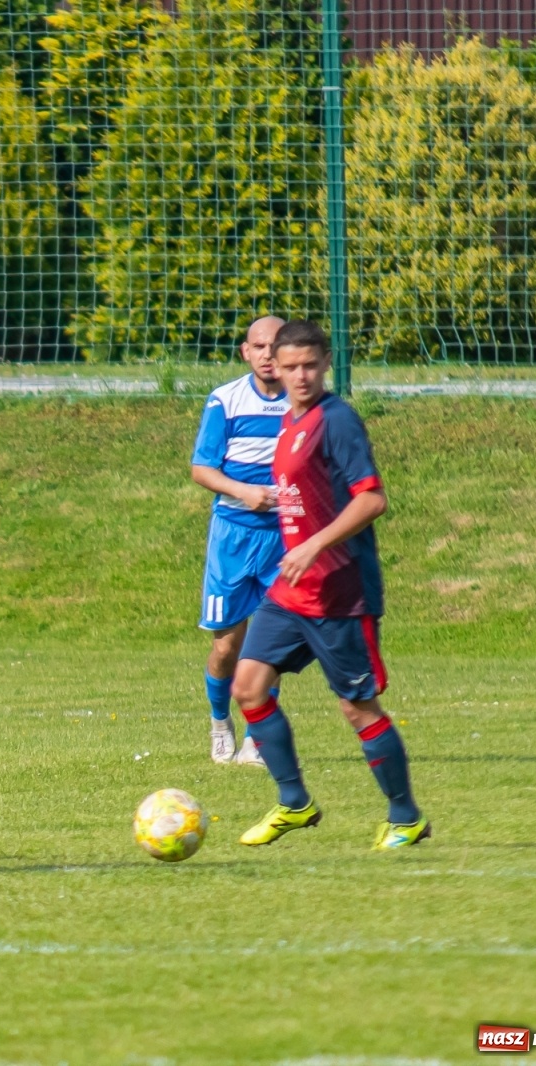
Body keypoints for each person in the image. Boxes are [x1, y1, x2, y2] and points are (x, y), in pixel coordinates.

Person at [230, 320, 429, 851]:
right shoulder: (291, 422)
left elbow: (371, 499)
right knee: (247, 687)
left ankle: (405, 816)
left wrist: (314, 544)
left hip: (340, 592)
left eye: (309, 365)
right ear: (272, 362)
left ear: (326, 363)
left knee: (356, 709)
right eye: (290, 365)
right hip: (292, 591)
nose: (299, 375)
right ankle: (295, 803)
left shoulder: (336, 420)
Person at [190, 316, 288, 765]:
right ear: (245, 351)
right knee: (227, 646)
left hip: (284, 540)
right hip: (232, 536)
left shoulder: (305, 403)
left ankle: (257, 738)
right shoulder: (224, 401)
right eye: (260, 346)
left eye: (276, 345)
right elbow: (201, 469)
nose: (269, 354)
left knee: (267, 642)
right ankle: (218, 722)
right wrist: (245, 492)